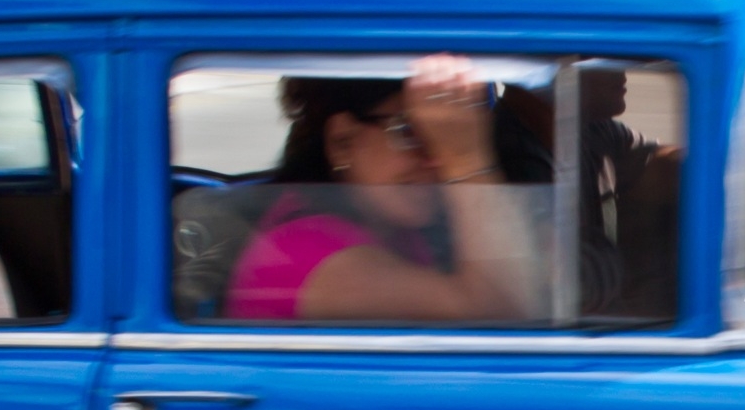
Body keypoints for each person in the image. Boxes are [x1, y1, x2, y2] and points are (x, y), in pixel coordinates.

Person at [224, 54, 541, 324]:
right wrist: (465, 158)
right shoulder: (310, 253)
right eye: (408, 132)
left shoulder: (389, 224)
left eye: (442, 135)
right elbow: (503, 315)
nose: (435, 160)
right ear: (342, 143)